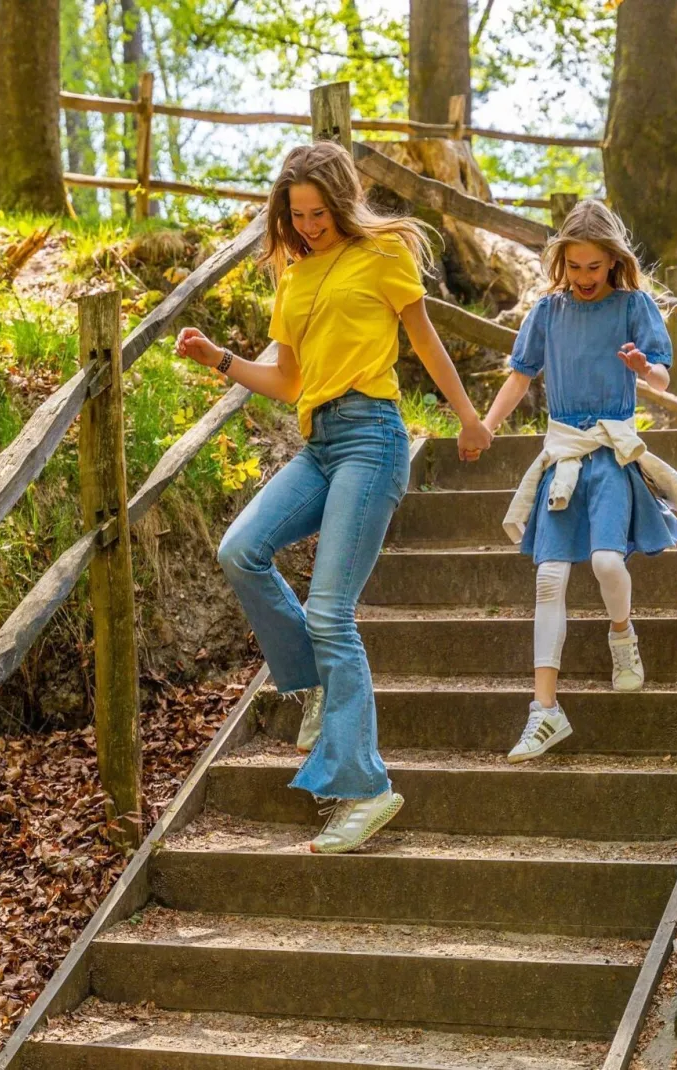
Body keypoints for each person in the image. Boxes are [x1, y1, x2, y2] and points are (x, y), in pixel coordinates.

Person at [175, 140, 492, 853]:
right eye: (297, 215)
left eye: (318, 212)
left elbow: (427, 339)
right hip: (319, 442)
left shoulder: (382, 256)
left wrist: (468, 415)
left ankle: (366, 788)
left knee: (329, 612)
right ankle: (316, 685)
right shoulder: (292, 275)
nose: (309, 225)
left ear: (342, 202)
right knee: (241, 549)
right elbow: (288, 381)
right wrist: (219, 360)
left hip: (373, 438)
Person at [480, 199, 677, 764]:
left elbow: (661, 373)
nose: (583, 278)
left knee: (607, 562)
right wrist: (484, 425)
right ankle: (545, 711)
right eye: (574, 266)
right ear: (561, 262)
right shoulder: (547, 312)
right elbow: (520, 375)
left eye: (593, 267)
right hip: (563, 457)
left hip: (611, 454)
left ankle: (622, 637)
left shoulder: (634, 306)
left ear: (612, 262)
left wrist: (641, 370)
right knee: (549, 578)